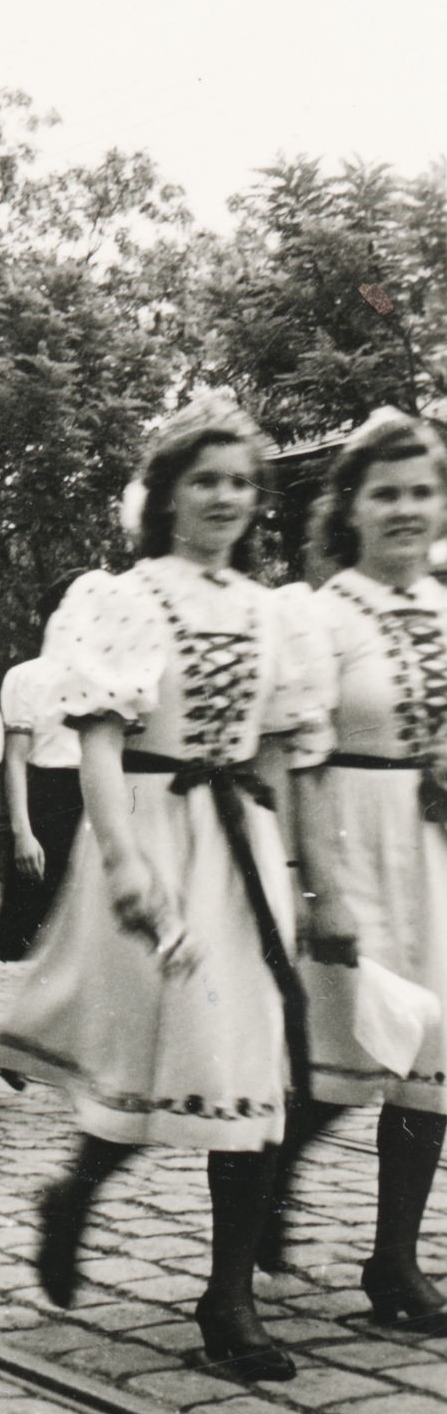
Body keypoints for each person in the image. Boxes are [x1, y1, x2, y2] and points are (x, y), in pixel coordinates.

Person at [0, 397, 331, 1382]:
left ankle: (228, 1296)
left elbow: (276, 752)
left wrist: (301, 873)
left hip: (240, 846)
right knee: (158, 1055)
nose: (224, 497)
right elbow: (97, 734)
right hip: (148, 828)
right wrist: (127, 860)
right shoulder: (124, 596)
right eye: (205, 479)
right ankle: (75, 1193)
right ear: (168, 493)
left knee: (246, 1062)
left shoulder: (276, 613)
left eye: (239, 482)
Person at [265, 408, 447, 1325]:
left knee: (433, 1057)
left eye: (423, 492)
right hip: (350, 840)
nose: (407, 510)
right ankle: (270, 1181)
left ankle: (394, 1263)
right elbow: (295, 760)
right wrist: (317, 884)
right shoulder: (321, 616)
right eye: (388, 494)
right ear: (353, 507)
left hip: (434, 848)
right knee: (348, 1052)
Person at [0, 574, 89, 962]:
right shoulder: (27, 676)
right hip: (50, 800)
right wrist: (22, 833)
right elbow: (14, 758)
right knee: (33, 935)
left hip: (103, 796)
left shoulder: (115, 676)